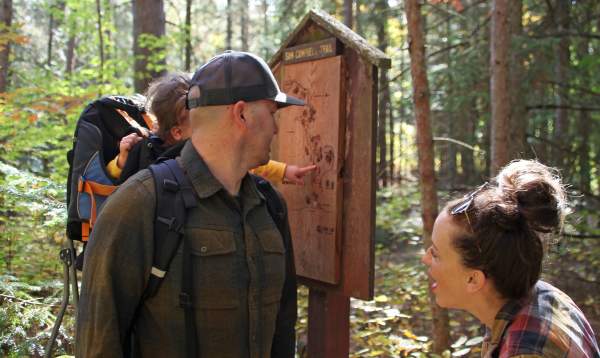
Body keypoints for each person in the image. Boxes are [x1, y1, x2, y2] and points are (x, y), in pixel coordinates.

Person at [76, 51, 304, 357]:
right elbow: (98, 344)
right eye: (272, 112)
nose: (276, 127)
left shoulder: (270, 206)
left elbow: (282, 325)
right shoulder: (140, 204)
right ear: (241, 114)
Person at [422, 160, 600, 357]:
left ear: (473, 279)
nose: (425, 259)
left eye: (436, 254)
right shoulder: (544, 296)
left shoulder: (525, 351)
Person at [105, 72, 316, 185]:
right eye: (198, 119)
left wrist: (285, 171)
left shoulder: (208, 151)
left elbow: (247, 161)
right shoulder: (146, 152)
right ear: (177, 132)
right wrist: (122, 160)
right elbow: (115, 179)